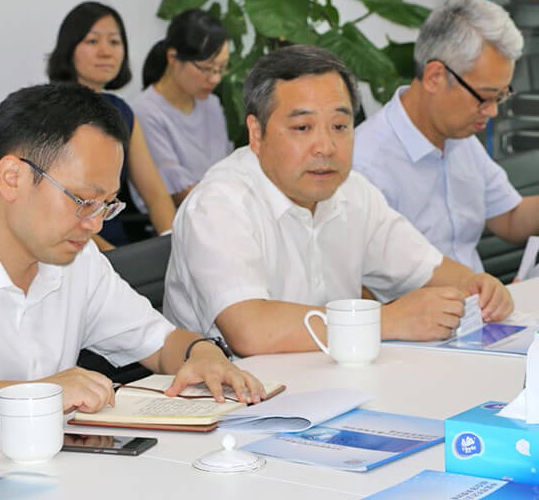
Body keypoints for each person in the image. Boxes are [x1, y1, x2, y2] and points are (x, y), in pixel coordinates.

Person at [0, 83, 263, 460]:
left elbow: (161, 343)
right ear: (12, 177)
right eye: (83, 200)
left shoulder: (76, 259)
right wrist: (36, 395)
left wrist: (202, 354)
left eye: (107, 205)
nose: (95, 224)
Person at [162, 45, 514, 357]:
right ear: (257, 133)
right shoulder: (219, 203)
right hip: (231, 398)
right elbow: (250, 330)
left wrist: (477, 286)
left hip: (331, 384)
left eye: (340, 127)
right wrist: (386, 320)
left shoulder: (351, 191)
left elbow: (428, 271)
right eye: (303, 128)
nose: (326, 147)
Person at [353, 0, 539, 273]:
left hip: (478, 297)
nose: (492, 112)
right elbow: (367, 284)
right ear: (435, 77)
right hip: (431, 300)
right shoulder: (364, 165)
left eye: (501, 96)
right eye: (485, 97)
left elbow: (511, 219)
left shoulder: (459, 137)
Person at [47, 1, 175, 247]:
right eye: (92, 41)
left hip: (116, 245)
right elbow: (54, 207)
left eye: (114, 42)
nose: (106, 52)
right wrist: (110, 258)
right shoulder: (51, 110)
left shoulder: (121, 111)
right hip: (69, 247)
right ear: (69, 49)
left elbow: (155, 194)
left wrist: (171, 245)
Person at [134, 9, 233, 206]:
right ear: (173, 57)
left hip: (221, 207)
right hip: (185, 213)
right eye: (206, 68)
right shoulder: (146, 111)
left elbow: (228, 169)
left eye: (221, 68)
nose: (215, 78)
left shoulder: (211, 104)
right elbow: (176, 192)